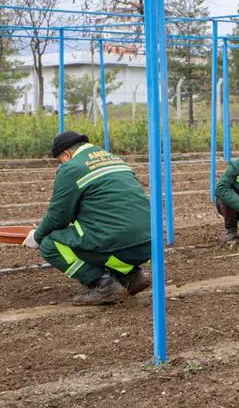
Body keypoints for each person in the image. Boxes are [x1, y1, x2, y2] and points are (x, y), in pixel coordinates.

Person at [22, 131, 151, 306]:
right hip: (149, 243)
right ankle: (132, 275)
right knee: (105, 227)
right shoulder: (113, 159)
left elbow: (58, 217)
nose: (61, 166)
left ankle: (104, 284)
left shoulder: (72, 168)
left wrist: (36, 237)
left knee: (50, 245)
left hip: (118, 243)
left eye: (60, 161)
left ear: (67, 154)